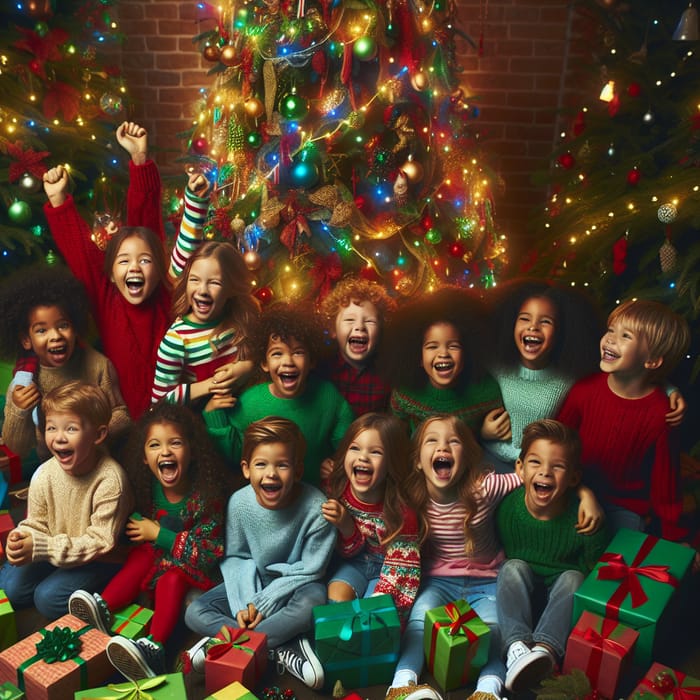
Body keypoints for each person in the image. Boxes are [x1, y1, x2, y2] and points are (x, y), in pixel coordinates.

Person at [387, 415, 604, 700]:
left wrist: (586, 493)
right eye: (433, 441)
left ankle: (488, 691)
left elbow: (533, 475)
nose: (443, 448)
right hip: (438, 582)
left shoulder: (486, 488)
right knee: (418, 622)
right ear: (417, 460)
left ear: (467, 458)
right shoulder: (411, 497)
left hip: (486, 582)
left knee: (493, 634)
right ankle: (402, 685)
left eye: (453, 441)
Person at [42, 121, 211, 419]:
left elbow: (146, 228)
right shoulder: (106, 300)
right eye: (123, 261)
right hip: (125, 427)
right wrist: (59, 201)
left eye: (144, 261)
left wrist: (140, 159)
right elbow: (82, 255)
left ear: (158, 269)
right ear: (109, 273)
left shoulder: (165, 297)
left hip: (176, 419)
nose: (134, 266)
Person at [67, 401, 233, 680]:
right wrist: (136, 527)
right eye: (154, 445)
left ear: (192, 452)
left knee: (171, 578)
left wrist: (158, 534)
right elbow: (137, 524)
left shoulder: (206, 496)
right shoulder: (149, 487)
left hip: (196, 571)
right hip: (159, 559)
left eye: (175, 443)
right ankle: (102, 608)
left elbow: (209, 553)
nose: (165, 451)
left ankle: (154, 648)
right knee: (141, 554)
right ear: (144, 457)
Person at [183, 417, 337, 690]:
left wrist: (264, 604)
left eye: (282, 465)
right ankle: (278, 644)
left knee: (313, 605)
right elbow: (237, 558)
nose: (271, 474)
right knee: (194, 611)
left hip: (297, 584)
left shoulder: (317, 509)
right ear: (246, 469)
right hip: (253, 584)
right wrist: (245, 605)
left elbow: (312, 569)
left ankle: (230, 644)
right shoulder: (239, 503)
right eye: (261, 464)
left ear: (298, 471)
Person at [481, 279, 686, 471]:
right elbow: (457, 389)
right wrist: (482, 432)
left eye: (546, 322)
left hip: (535, 469)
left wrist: (669, 389)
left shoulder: (572, 376)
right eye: (524, 318)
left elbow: (626, 374)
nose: (533, 326)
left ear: (562, 332)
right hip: (489, 459)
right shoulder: (497, 364)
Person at [556, 298, 692, 542]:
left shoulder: (662, 415)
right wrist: (575, 490)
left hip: (626, 507)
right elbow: (556, 442)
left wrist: (675, 537)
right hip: (575, 489)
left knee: (614, 568)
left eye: (625, 336)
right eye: (610, 330)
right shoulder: (584, 390)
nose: (610, 339)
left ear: (651, 360)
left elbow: (666, 483)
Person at [0, 381, 133, 619]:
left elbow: (101, 542)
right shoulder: (44, 473)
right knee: (12, 588)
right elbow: (37, 523)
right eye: (52, 428)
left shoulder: (111, 480)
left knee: (47, 599)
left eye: (71, 429)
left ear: (98, 435)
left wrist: (44, 547)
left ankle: (106, 593)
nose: (59, 438)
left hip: (99, 557)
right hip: (57, 549)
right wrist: (22, 539)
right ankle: (50, 577)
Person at [496, 419, 609, 693]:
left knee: (574, 577)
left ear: (573, 477)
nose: (545, 472)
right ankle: (516, 648)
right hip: (522, 597)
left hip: (560, 602)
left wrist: (595, 522)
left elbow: (595, 565)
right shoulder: (509, 508)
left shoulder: (582, 515)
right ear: (520, 469)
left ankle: (545, 652)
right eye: (535, 462)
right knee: (511, 567)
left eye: (557, 466)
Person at [203, 302, 354, 485]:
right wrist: (214, 414)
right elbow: (236, 453)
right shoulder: (250, 403)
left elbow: (347, 439)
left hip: (312, 493)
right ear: (264, 364)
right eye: (277, 354)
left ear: (312, 360)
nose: (288, 361)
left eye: (297, 352)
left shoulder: (327, 396)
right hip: (268, 494)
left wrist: (336, 462)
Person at [0, 264, 130, 461]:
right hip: (51, 464)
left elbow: (122, 415)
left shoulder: (97, 365)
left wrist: (90, 438)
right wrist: (19, 410)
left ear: (76, 328)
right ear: (26, 340)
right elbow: (17, 447)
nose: (56, 336)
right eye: (42, 330)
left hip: (96, 460)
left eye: (63, 326)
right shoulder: (23, 383)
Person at [322, 413, 420, 626]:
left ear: (391, 462)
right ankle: (338, 648)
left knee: (372, 615)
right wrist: (347, 528)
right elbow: (344, 552)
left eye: (375, 452)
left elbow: (403, 571)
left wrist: (381, 601)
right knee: (335, 597)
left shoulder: (401, 510)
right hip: (356, 563)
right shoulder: (338, 490)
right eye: (355, 448)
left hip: (390, 568)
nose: (363, 457)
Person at [150, 240, 258, 406]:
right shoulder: (177, 339)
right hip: (199, 424)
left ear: (231, 288)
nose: (202, 291)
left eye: (214, 282)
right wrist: (210, 385)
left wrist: (247, 367)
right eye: (195, 280)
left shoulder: (239, 321)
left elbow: (268, 359)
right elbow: (159, 402)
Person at [381, 287, 502, 434]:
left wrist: (483, 433)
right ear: (418, 357)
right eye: (432, 346)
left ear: (467, 353)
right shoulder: (405, 394)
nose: (443, 353)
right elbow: (395, 434)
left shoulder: (486, 392)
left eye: (453, 346)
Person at [318, 277, 396, 416]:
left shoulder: (388, 375)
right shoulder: (323, 370)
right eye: (349, 320)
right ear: (333, 330)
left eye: (370, 321)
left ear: (381, 330)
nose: (359, 327)